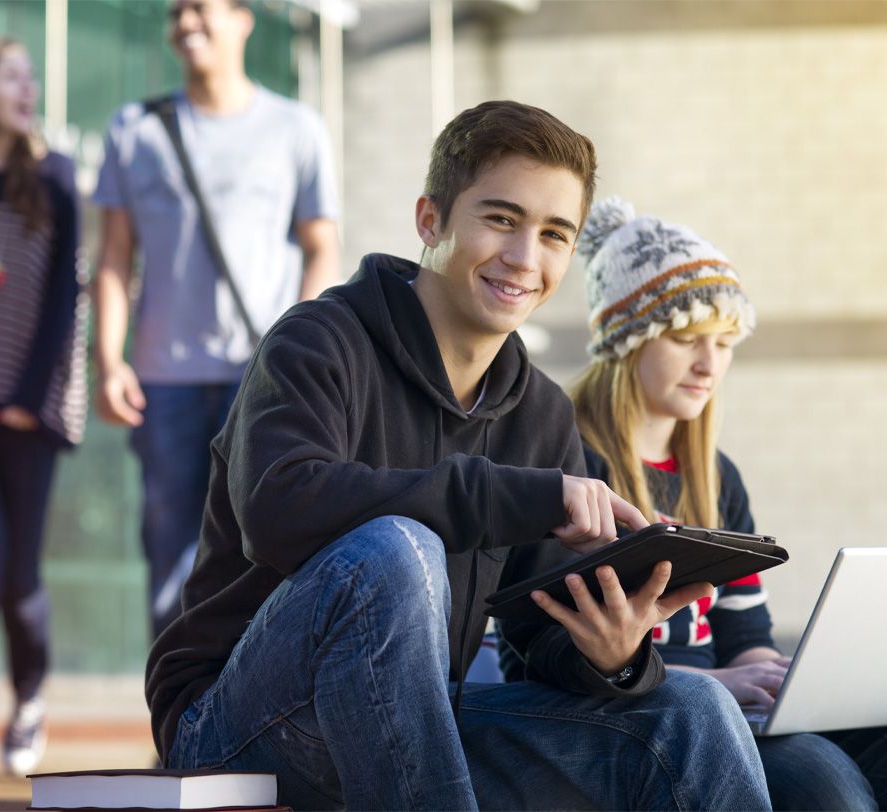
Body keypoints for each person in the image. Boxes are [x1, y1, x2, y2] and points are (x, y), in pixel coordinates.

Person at [144, 100, 773, 810]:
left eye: (554, 234)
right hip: (236, 725)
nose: (524, 258)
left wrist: (612, 654)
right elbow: (279, 510)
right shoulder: (317, 341)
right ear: (430, 220)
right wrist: (515, 496)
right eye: (501, 220)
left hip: (413, 718)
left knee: (690, 711)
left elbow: (534, 642)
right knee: (393, 550)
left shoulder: (540, 412)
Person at [563, 195, 887, 810]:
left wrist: (790, 681)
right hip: (654, 708)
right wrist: (724, 683)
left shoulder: (716, 477)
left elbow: (746, 636)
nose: (710, 364)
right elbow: (565, 658)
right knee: (825, 783)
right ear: (627, 341)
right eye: (687, 337)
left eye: (725, 341)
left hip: (734, 701)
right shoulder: (578, 468)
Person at [92, 0, 341, 639]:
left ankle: (247, 721)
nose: (185, 23)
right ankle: (178, 728)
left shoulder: (296, 128)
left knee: (265, 556)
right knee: (170, 557)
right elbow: (114, 259)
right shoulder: (134, 129)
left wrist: (299, 354)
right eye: (175, 13)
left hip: (261, 382)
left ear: (242, 19)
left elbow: (322, 250)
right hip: (163, 383)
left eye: (199, 8)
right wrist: (110, 360)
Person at [0, 36, 86, 775]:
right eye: (10, 75)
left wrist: (27, 399)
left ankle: (28, 700)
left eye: (31, 78)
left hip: (26, 411)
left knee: (19, 571)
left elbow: (63, 299)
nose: (27, 89)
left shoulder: (54, 177)